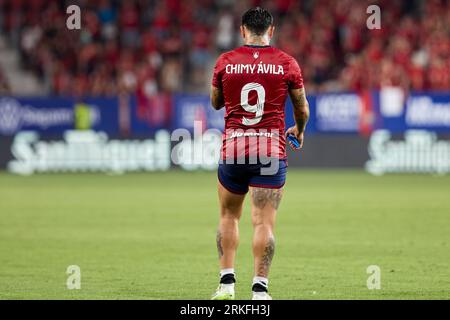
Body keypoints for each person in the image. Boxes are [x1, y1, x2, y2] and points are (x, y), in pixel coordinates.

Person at [210, 7, 310, 300]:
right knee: (263, 222)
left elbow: (216, 103)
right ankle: (259, 290)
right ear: (271, 31)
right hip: (269, 150)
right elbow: (301, 108)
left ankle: (226, 284)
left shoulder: (225, 61)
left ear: (242, 31)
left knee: (228, 215)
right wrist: (299, 129)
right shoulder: (286, 63)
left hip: (235, 149)